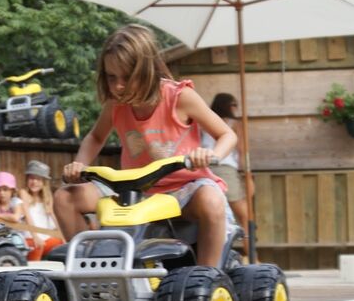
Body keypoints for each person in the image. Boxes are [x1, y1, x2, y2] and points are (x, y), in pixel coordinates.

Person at [53, 24, 237, 267]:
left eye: (127, 77)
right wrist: (80, 165)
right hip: (134, 191)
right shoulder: (116, 104)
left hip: (184, 188)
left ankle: (207, 278)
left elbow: (227, 135)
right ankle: (94, 268)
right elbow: (96, 137)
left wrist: (210, 154)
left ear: (147, 71)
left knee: (211, 200)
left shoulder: (179, 97)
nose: (118, 86)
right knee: (65, 198)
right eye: (111, 77)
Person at [200, 92, 253, 255]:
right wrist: (248, 175)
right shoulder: (234, 124)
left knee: (210, 216)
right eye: (234, 105)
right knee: (245, 215)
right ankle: (252, 255)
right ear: (229, 106)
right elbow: (243, 150)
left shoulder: (203, 123)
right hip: (225, 169)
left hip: (204, 169)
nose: (235, 109)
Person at [18, 160, 64, 260]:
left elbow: (53, 217)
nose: (34, 182)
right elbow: (27, 217)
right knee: (38, 246)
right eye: (31, 178)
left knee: (61, 244)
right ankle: (33, 271)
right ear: (27, 179)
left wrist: (63, 237)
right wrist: (35, 236)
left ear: (44, 182)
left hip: (45, 238)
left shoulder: (47, 197)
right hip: (29, 237)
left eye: (39, 179)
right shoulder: (24, 193)